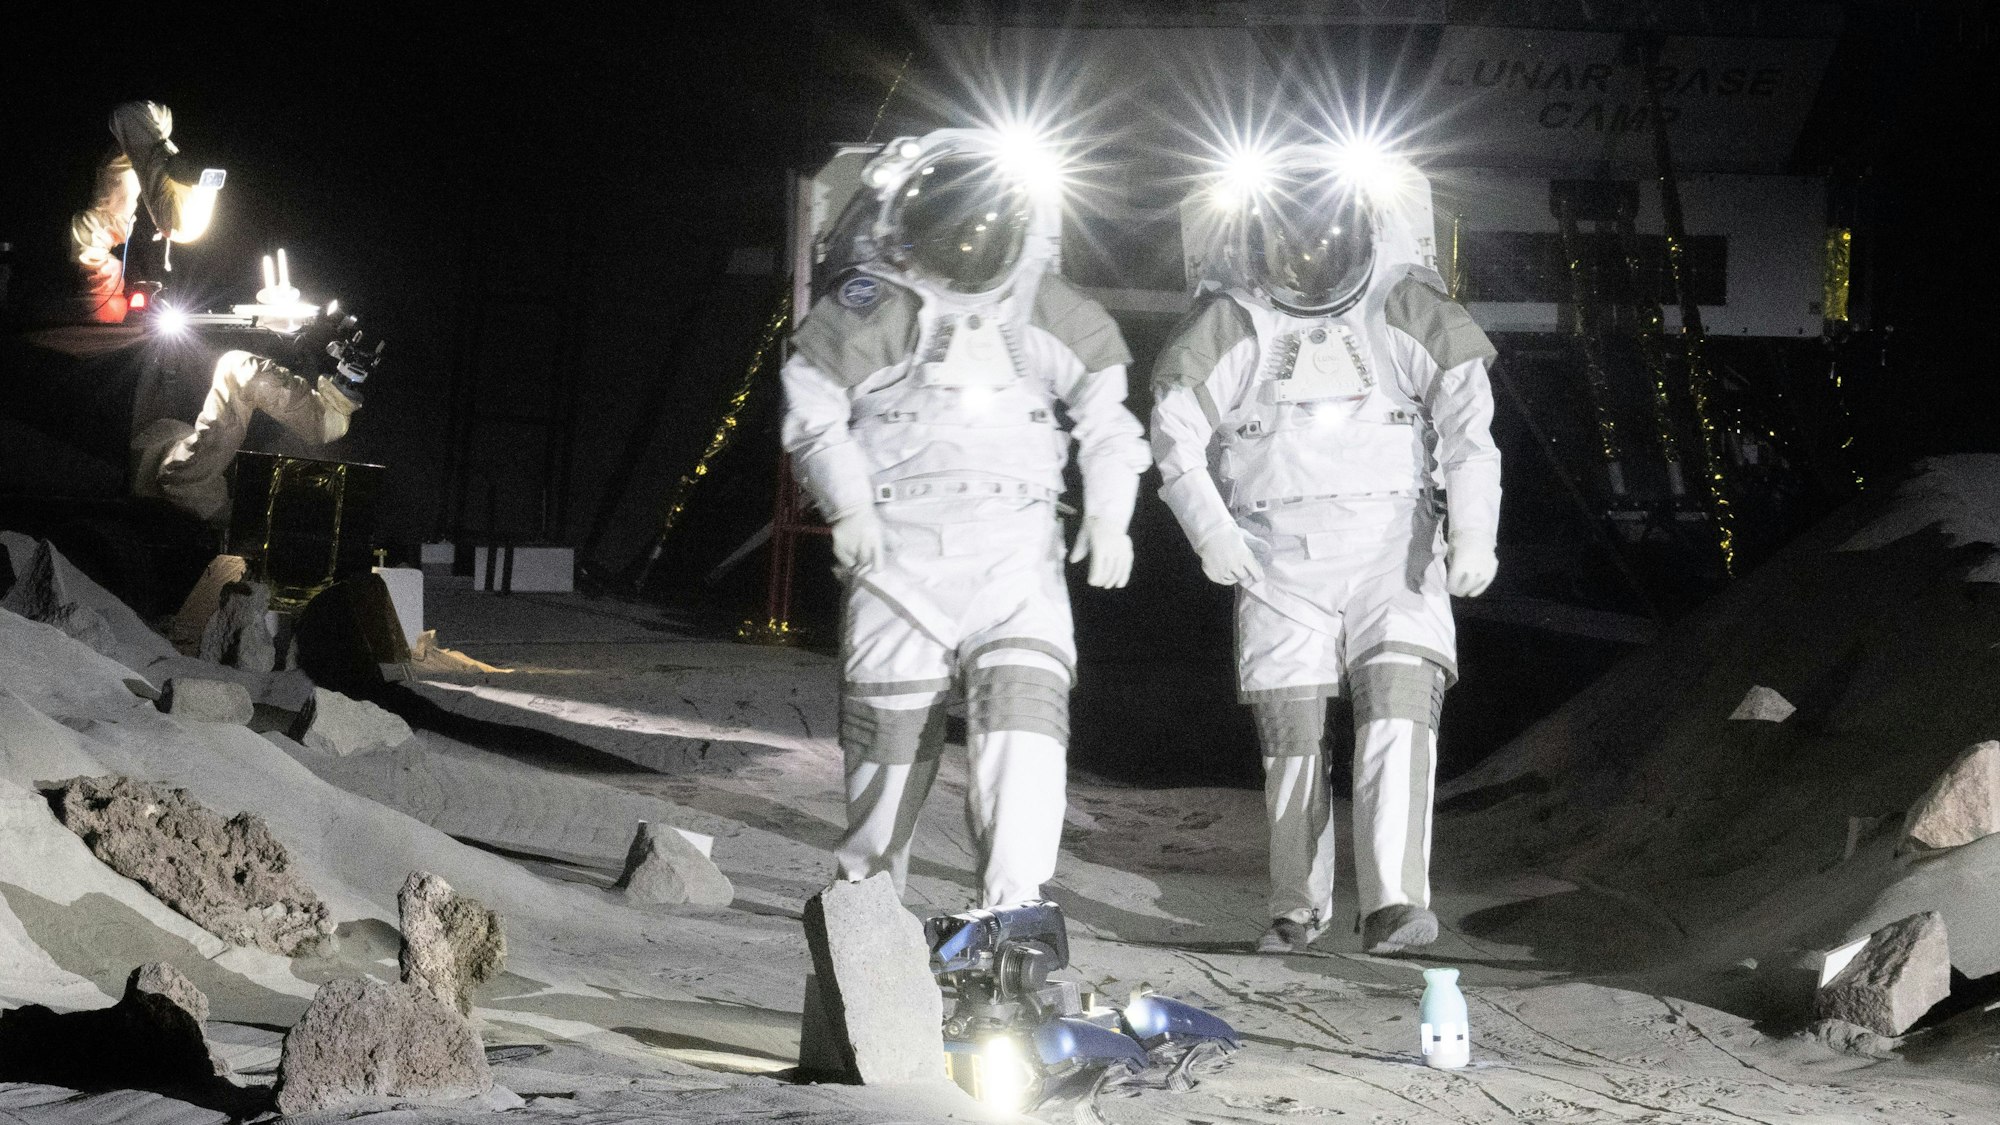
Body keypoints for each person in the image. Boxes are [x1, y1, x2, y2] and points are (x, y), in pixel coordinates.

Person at [782, 127, 1148, 907]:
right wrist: (845, 503)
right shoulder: (873, 301)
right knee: (887, 747)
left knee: (1024, 732)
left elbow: (1109, 422)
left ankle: (1014, 913)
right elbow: (815, 411)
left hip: (1014, 555)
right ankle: (866, 914)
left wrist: (1111, 515)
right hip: (898, 554)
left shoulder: (1045, 305)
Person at [1151, 142, 1501, 954]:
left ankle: (1394, 903)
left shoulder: (1404, 304)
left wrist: (1474, 530)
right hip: (1274, 552)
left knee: (1398, 711)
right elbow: (1176, 432)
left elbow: (1468, 430)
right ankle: (1295, 905)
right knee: (1294, 736)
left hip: (1393, 542)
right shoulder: (1232, 317)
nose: (1307, 261)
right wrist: (1211, 530)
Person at [70, 101, 221, 323]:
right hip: (168, 214)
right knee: (97, 225)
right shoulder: (102, 226)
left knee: (97, 225)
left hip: (175, 216)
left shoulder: (104, 225)